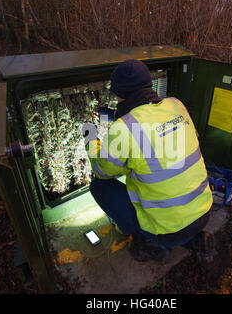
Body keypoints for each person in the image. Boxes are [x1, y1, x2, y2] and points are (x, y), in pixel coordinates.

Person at [84, 59, 213, 262]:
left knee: (99, 186)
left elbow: (102, 170)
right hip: (203, 214)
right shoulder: (176, 106)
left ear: (118, 94)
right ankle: (194, 239)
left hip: (166, 232)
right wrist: (113, 116)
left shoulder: (123, 129)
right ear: (149, 84)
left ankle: (147, 242)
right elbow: (148, 121)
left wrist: (90, 136)